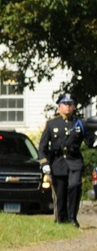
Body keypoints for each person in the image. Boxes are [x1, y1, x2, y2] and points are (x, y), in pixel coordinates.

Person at [38, 94, 91, 226]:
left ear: (74, 107)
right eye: (65, 104)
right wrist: (44, 162)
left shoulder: (80, 123)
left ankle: (72, 218)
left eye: (70, 104)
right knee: (60, 192)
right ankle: (61, 219)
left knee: (75, 186)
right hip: (58, 161)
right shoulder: (51, 124)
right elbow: (42, 147)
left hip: (74, 161)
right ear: (59, 107)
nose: (67, 107)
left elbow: (90, 141)